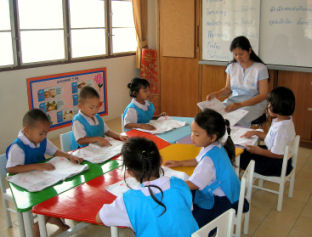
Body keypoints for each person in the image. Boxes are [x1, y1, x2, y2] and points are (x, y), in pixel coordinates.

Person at [96, 137, 198, 236]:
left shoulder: (128, 200)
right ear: (160, 161)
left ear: (130, 172)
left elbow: (99, 218)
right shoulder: (180, 184)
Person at [6, 108, 83, 236]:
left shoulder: (42, 140)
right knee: (47, 200)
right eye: (41, 133)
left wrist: (70, 156)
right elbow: (11, 169)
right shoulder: (17, 147)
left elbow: (55, 151)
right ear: (27, 131)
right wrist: (37, 166)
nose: (44, 137)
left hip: (40, 179)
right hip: (24, 186)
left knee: (54, 196)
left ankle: (49, 218)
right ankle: (40, 225)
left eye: (46, 133)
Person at [164, 109, 241, 228]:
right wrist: (178, 163)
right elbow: (197, 160)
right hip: (229, 193)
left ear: (212, 137)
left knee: (191, 225)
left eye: (197, 134)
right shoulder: (215, 146)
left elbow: (194, 184)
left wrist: (169, 183)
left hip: (220, 202)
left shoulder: (208, 161)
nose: (192, 137)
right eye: (192, 132)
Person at [206, 36, 269, 127]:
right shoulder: (232, 66)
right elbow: (228, 89)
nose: (238, 57)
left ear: (249, 51)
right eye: (235, 55)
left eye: (241, 54)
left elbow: (263, 95)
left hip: (253, 104)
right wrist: (215, 94)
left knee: (236, 118)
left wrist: (240, 104)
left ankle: (237, 140)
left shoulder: (260, 68)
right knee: (212, 115)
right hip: (233, 102)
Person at [240, 87, 296, 176]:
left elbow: (278, 154)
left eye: (270, 103)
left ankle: (241, 182)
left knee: (240, 157)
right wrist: (256, 132)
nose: (268, 106)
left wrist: (258, 151)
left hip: (278, 165)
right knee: (245, 151)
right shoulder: (285, 120)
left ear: (277, 107)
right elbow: (272, 138)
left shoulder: (282, 129)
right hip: (277, 157)